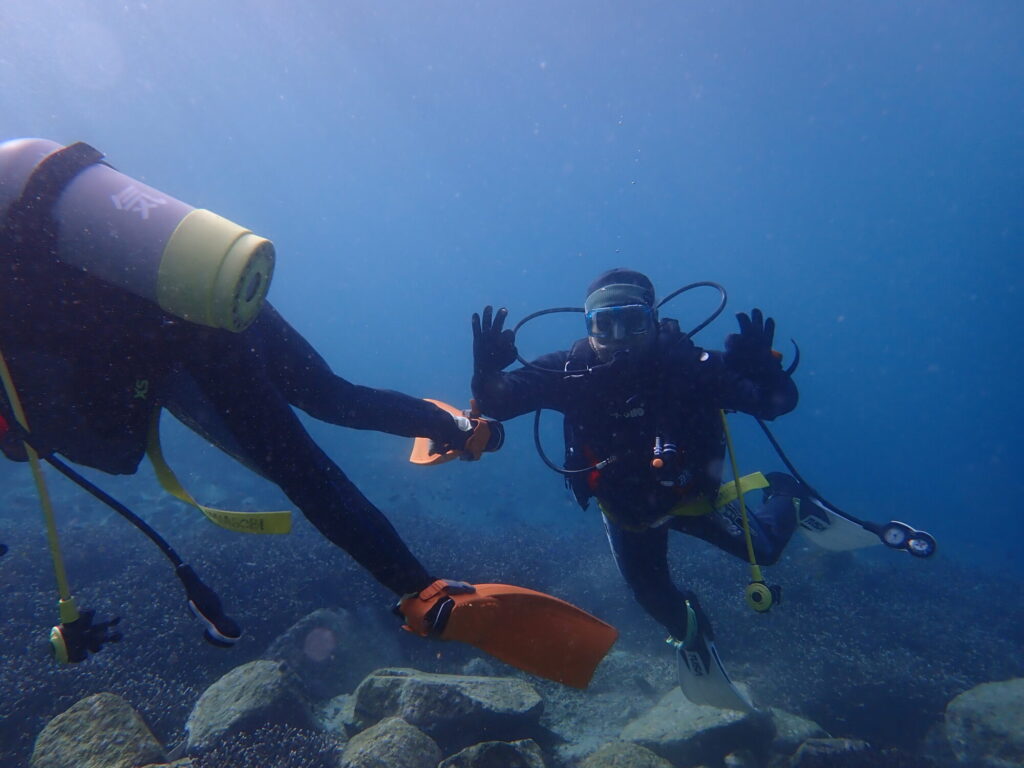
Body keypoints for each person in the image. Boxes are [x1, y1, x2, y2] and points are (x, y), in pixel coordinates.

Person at [470, 268, 806, 654]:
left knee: (765, 552)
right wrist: (486, 373)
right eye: (604, 324)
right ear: (588, 325)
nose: (618, 339)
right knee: (653, 598)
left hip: (692, 498)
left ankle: (788, 494)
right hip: (626, 512)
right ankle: (697, 637)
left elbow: (774, 404)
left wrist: (767, 372)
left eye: (632, 322)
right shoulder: (571, 371)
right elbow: (499, 402)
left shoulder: (690, 366)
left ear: (654, 319)